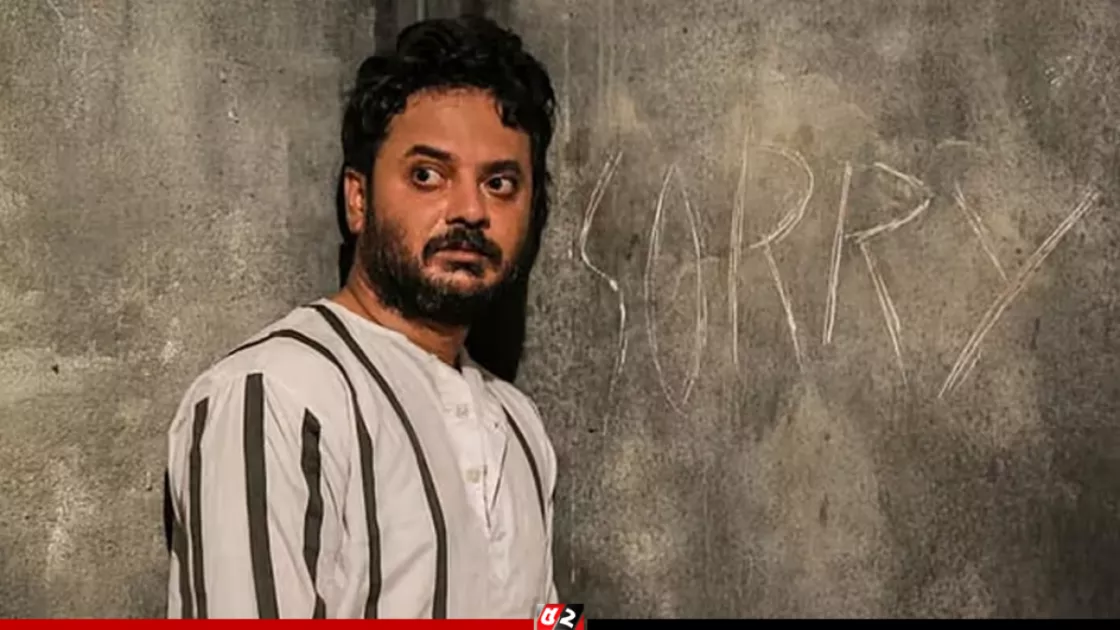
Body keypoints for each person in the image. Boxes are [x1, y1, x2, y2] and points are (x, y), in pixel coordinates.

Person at [164, 15, 558, 619]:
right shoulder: (276, 396)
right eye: (428, 175)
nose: (470, 210)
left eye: (500, 183)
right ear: (358, 198)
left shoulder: (521, 425)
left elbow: (546, 617)